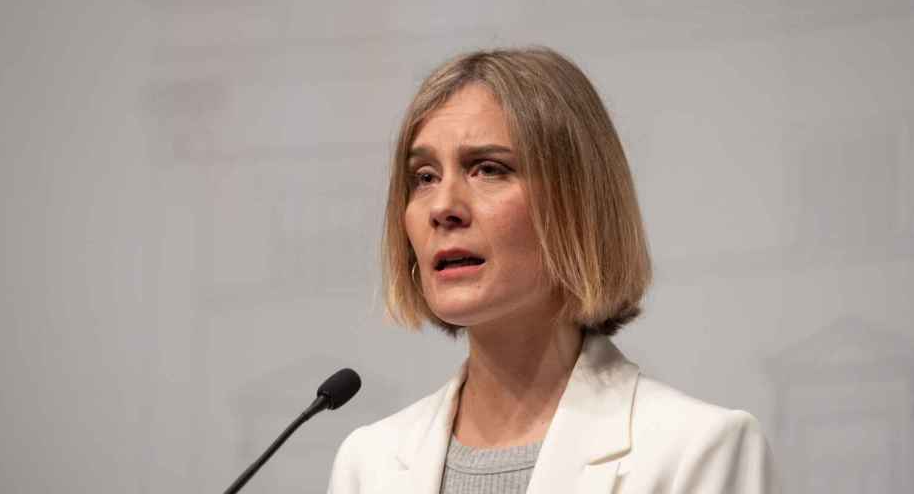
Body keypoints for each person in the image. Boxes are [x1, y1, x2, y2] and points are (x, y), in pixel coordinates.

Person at [327, 47, 777, 494]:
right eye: (424, 177)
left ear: (580, 202)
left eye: (488, 169)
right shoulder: (369, 465)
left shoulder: (696, 452)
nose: (443, 207)